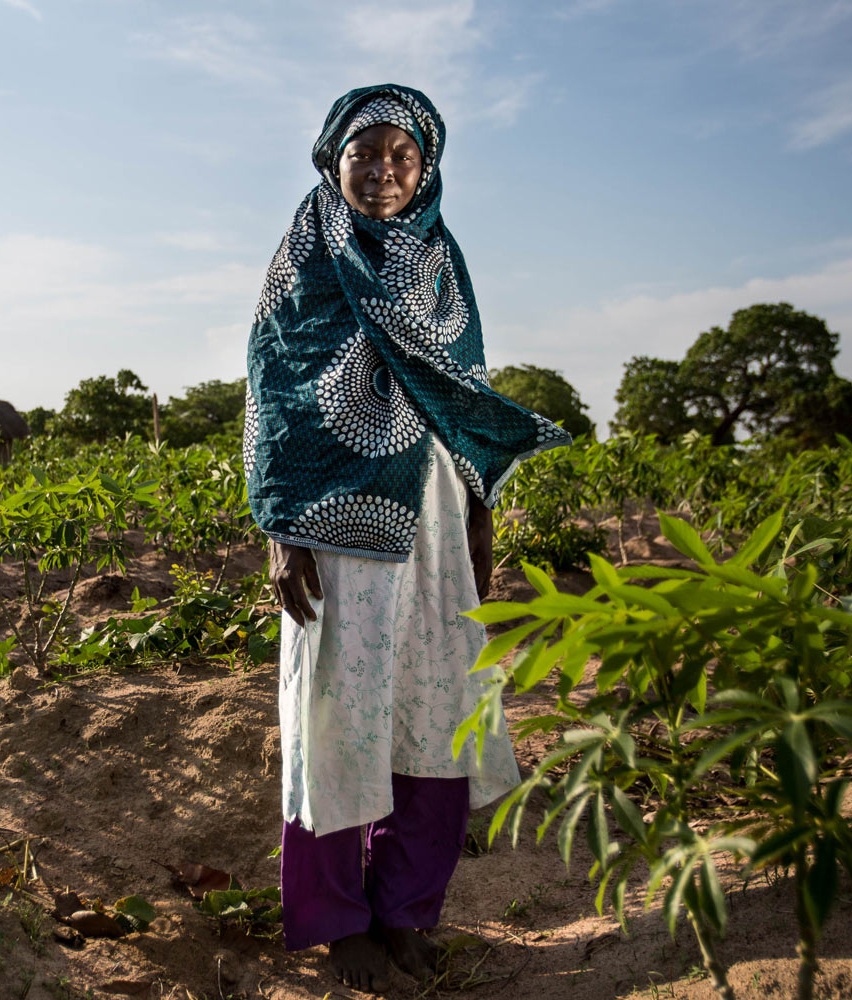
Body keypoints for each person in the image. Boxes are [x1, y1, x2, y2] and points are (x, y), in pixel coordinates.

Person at [243, 85, 571, 992]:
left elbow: (461, 395)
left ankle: (405, 912)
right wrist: (281, 531)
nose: (382, 170)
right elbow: (273, 398)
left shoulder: (440, 261)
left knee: (439, 715)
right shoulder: (305, 258)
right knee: (338, 722)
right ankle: (338, 926)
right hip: (331, 523)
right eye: (365, 153)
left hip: (430, 520)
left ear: (425, 170)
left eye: (401, 156)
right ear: (331, 159)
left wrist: (478, 513)